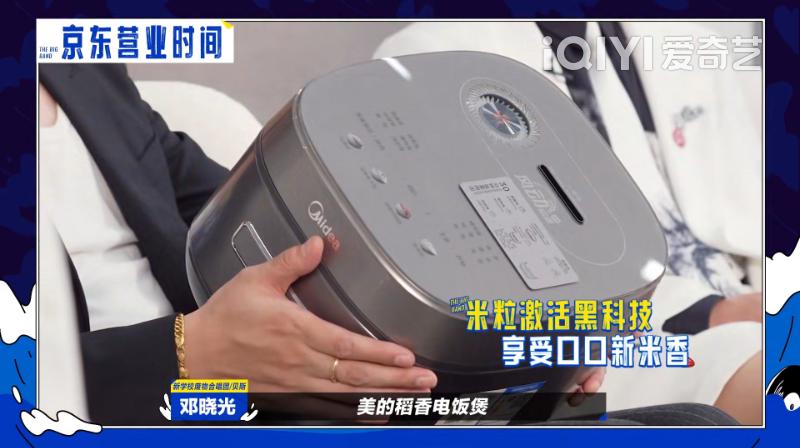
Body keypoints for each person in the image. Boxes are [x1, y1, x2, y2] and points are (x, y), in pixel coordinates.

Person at [39, 61, 738, 427]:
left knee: (691, 424)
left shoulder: (74, 65)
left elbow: (208, 204)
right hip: (126, 407)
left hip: (276, 403)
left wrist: (518, 342)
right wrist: (190, 355)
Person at [373, 21, 763, 424]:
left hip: (737, 296)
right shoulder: (434, 54)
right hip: (591, 346)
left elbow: (750, 208)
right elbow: (487, 272)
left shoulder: (681, 39)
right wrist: (710, 311)